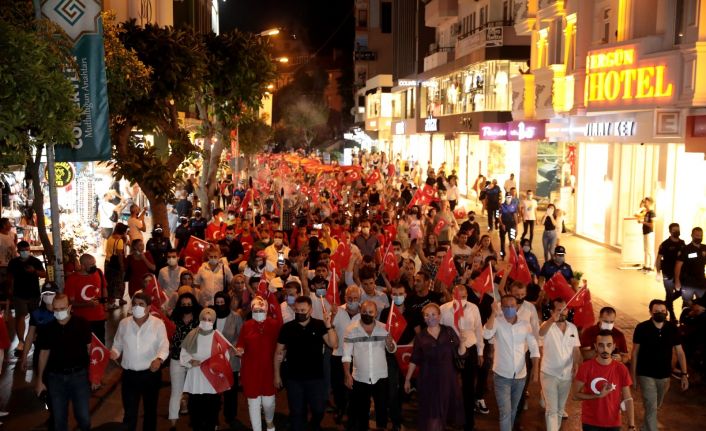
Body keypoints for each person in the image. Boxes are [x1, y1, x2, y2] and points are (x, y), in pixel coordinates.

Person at [274, 296, 337, 431]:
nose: (300, 313)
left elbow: (333, 344)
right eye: (297, 310)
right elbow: (278, 352)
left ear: (311, 310)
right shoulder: (287, 328)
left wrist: (329, 325)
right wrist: (277, 375)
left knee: (319, 409)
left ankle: (314, 425)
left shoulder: (319, 325)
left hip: (316, 378)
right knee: (297, 412)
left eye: (303, 310)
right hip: (294, 378)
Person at [110, 291, 170, 431]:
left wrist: (159, 359)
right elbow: (117, 343)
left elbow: (164, 345)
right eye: (135, 304)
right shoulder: (124, 323)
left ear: (149, 307)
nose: (137, 307)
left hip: (150, 374)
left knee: (150, 411)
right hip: (129, 376)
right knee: (130, 413)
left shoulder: (158, 324)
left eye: (141, 304)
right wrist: (115, 352)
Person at [35, 294, 92, 431]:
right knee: (59, 420)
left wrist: (94, 375)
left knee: (84, 418)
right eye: (56, 309)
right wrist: (39, 380)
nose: (59, 312)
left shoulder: (82, 324)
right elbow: (43, 354)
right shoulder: (47, 328)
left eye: (62, 308)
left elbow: (90, 349)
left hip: (79, 376)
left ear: (70, 307)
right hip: (55, 378)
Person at [404, 303, 465, 430]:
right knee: (433, 416)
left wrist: (463, 342)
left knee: (443, 415)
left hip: (448, 379)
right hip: (428, 380)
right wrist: (407, 379)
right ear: (423, 318)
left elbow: (461, 354)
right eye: (427, 315)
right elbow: (414, 359)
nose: (430, 317)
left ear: (439, 316)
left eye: (433, 314)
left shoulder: (448, 331)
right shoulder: (420, 337)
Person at [483, 295, 540, 431]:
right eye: (506, 307)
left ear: (517, 307)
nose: (509, 309)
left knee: (513, 410)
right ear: (501, 307)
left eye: (512, 306)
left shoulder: (525, 325)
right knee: (505, 413)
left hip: (520, 376)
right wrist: (493, 313)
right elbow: (486, 334)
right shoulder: (497, 321)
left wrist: (536, 370)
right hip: (501, 376)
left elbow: (534, 348)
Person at [631, 299, 689, 431]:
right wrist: (633, 376)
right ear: (650, 312)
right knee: (651, 405)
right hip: (645, 374)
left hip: (664, 375)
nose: (660, 313)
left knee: (655, 405)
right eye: (656, 311)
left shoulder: (672, 328)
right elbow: (635, 353)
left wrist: (684, 374)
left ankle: (645, 427)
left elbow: (680, 352)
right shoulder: (642, 328)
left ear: (667, 312)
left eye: (663, 311)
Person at [342, 300, 397, 431]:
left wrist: (390, 343)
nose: (367, 314)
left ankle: (381, 427)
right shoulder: (351, 329)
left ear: (376, 313)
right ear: (360, 311)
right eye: (364, 312)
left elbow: (392, 349)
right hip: (360, 377)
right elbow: (346, 355)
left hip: (381, 376)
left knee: (382, 407)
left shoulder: (384, 328)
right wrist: (347, 374)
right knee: (361, 409)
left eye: (370, 312)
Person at [439, 285, 484, 431]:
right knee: (448, 386)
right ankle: (448, 419)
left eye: (464, 296)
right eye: (458, 296)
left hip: (469, 348)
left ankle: (469, 422)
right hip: (450, 350)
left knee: (468, 387)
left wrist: (480, 352)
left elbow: (478, 329)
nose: (461, 299)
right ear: (452, 294)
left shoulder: (473, 308)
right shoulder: (443, 309)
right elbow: (439, 331)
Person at [235, 296, 282, 431]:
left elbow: (281, 346)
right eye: (255, 311)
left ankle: (269, 422)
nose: (258, 313)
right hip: (251, 370)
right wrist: (239, 350)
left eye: (261, 311)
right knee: (253, 403)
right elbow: (241, 344)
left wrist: (281, 355)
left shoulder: (274, 325)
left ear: (266, 310)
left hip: (269, 370)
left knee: (269, 403)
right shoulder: (246, 325)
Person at [574, 330, 635, 431]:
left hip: (613, 423)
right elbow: (575, 395)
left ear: (614, 346)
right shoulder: (586, 367)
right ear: (596, 346)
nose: (605, 349)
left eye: (609, 345)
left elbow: (628, 398)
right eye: (601, 345)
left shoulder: (621, 369)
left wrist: (631, 425)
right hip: (590, 422)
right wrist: (597, 396)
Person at [179, 308, 226, 431]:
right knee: (195, 412)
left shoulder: (218, 336)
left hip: (212, 379)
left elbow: (225, 356)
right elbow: (183, 354)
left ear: (213, 321)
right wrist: (190, 361)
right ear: (200, 319)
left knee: (212, 412)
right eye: (204, 319)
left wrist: (216, 364)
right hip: (196, 377)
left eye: (210, 320)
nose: (206, 322)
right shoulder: (192, 334)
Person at [539, 298, 581, 431]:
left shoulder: (572, 328)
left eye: (565, 309)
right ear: (552, 311)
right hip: (549, 374)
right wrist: (552, 320)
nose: (562, 313)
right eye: (559, 310)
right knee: (552, 410)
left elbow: (575, 350)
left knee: (559, 409)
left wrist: (577, 364)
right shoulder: (547, 325)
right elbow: (540, 333)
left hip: (566, 375)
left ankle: (543, 396)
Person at [168, 292, 201, 430]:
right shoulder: (173, 320)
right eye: (183, 305)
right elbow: (170, 339)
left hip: (194, 361)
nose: (186, 307)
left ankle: (196, 421)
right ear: (179, 306)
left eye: (189, 304)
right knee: (176, 392)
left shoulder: (199, 321)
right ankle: (173, 425)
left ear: (193, 304)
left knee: (195, 393)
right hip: (177, 360)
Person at [8, 240, 46, 356]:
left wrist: (34, 271)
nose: (25, 252)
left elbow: (44, 274)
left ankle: (33, 336)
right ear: (19, 251)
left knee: (34, 316)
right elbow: (10, 277)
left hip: (34, 293)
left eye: (27, 250)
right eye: (23, 250)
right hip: (19, 294)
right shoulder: (13, 263)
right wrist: (10, 289)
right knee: (20, 316)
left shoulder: (35, 261)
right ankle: (21, 341)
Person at [330, 285, 362, 423]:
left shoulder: (364, 313)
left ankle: (352, 412)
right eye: (350, 298)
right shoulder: (337, 311)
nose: (353, 300)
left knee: (354, 388)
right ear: (345, 298)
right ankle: (340, 408)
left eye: (356, 298)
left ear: (360, 299)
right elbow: (329, 328)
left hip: (357, 357)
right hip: (338, 354)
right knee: (338, 386)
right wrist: (331, 315)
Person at [212, 291, 243, 428]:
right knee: (214, 391)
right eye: (217, 303)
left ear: (227, 303)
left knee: (231, 391)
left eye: (222, 303)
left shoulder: (236, 317)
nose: (219, 305)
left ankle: (230, 416)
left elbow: (241, 336)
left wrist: (235, 348)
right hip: (213, 359)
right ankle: (213, 417)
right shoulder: (210, 316)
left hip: (231, 359)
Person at [63, 253, 107, 343]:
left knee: (99, 343)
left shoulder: (98, 272)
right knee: (82, 344)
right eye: (91, 265)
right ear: (82, 266)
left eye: (94, 263)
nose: (94, 266)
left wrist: (105, 308)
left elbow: (104, 288)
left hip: (99, 317)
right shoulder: (72, 279)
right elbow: (70, 302)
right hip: (81, 319)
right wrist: (86, 304)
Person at [656, 223, 686, 321]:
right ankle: (672, 315)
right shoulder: (665, 244)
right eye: (674, 230)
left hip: (679, 273)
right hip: (667, 273)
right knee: (669, 293)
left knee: (682, 291)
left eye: (678, 229)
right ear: (670, 231)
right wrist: (657, 272)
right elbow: (659, 259)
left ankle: (666, 303)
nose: (677, 231)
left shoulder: (682, 243)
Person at [674, 227, 705, 306]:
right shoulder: (686, 249)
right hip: (688, 281)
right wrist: (677, 281)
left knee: (702, 303)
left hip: (701, 281)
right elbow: (678, 266)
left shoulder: (704, 248)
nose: (699, 237)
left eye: (700, 235)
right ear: (692, 235)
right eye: (697, 235)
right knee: (687, 303)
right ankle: (685, 317)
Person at [104, 222, 128, 307]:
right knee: (117, 282)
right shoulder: (120, 241)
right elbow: (120, 255)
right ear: (123, 231)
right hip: (116, 264)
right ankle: (113, 302)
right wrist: (122, 267)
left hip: (108, 262)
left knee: (109, 282)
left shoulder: (110, 237)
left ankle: (111, 301)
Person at [0, 217, 17, 299]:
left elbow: (14, 246)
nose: (10, 225)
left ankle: (9, 304)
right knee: (4, 286)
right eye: (8, 224)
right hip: (2, 266)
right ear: (3, 225)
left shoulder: (11, 234)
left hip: (12, 264)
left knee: (11, 285)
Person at [498, 193, 519, 259]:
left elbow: (515, 216)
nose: (508, 198)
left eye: (510, 197)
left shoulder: (514, 206)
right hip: (503, 225)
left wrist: (516, 226)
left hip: (512, 225)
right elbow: (499, 216)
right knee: (502, 241)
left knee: (512, 241)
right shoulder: (501, 206)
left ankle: (513, 255)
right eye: (507, 197)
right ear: (505, 197)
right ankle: (502, 255)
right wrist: (502, 224)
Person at [639, 197, 656, 271]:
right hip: (645, 232)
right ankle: (646, 265)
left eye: (646, 202)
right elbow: (640, 207)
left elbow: (652, 225)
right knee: (645, 249)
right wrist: (642, 201)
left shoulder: (652, 213)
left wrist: (643, 222)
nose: (645, 204)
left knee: (650, 250)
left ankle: (651, 266)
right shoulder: (646, 212)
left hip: (650, 233)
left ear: (649, 203)